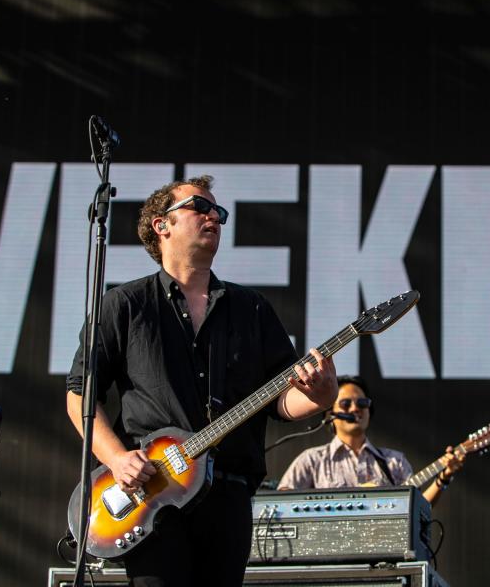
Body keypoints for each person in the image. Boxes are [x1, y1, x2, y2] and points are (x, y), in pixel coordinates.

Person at [66, 176, 338, 586]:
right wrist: (118, 459)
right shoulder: (124, 305)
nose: (214, 216)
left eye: (219, 212)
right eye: (200, 207)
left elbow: (281, 402)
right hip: (155, 494)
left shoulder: (252, 309)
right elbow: (80, 395)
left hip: (227, 495)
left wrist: (321, 396)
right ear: (162, 225)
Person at [277, 376, 462, 506]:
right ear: (330, 414)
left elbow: (418, 509)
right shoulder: (312, 460)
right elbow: (281, 503)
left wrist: (443, 478)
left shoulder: (394, 462)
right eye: (345, 403)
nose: (355, 408)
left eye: (362, 403)